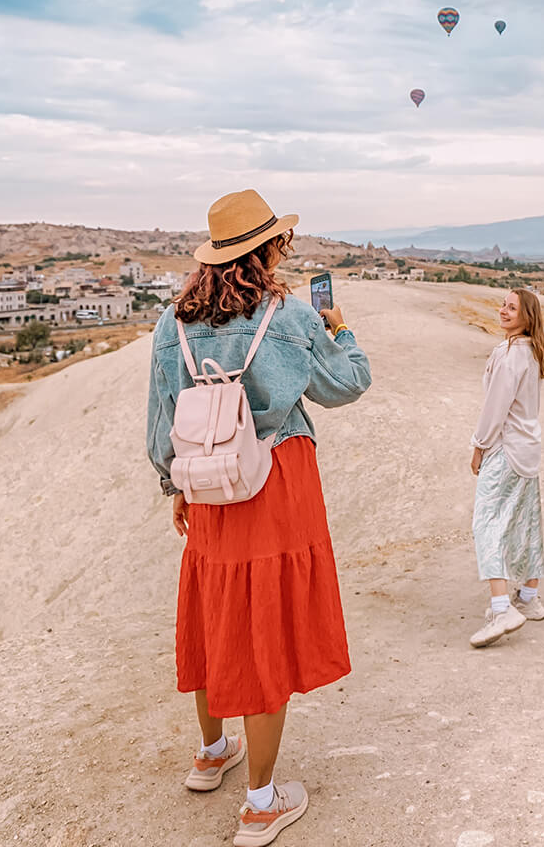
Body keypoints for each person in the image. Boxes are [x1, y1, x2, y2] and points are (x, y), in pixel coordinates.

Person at [146, 189, 371, 847]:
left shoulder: (173, 324)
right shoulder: (291, 316)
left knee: (219, 615)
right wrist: (341, 331)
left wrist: (173, 484)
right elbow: (347, 385)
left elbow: (160, 418)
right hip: (274, 484)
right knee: (265, 624)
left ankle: (213, 752)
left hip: (207, 484)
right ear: (270, 249)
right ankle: (262, 803)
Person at [466, 287, 544, 648]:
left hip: (504, 448)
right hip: (527, 448)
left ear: (526, 317)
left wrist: (479, 445)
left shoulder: (510, 355)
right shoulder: (532, 352)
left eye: (511, 307)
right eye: (503, 304)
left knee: (486, 523)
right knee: (525, 519)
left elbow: (495, 407)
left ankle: (502, 608)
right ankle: (529, 599)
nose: (503, 310)